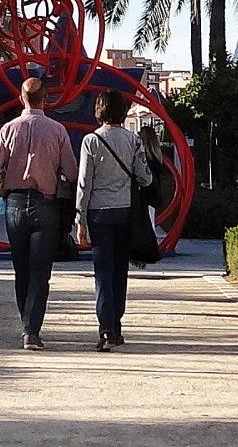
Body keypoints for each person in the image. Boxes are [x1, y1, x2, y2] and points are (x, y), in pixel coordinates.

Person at [0, 73, 73, 349]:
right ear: (45, 99)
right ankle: (31, 329)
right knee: (40, 269)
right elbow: (71, 171)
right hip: (45, 203)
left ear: (21, 97)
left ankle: (27, 322)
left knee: (21, 267)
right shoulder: (57, 131)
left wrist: (0, 188)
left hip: (14, 204)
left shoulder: (9, 129)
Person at [74, 89, 153, 350]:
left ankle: (105, 328)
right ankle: (116, 327)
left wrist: (80, 219)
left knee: (102, 272)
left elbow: (84, 183)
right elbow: (145, 177)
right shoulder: (134, 141)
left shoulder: (91, 141)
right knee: (120, 271)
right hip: (126, 210)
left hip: (98, 213)